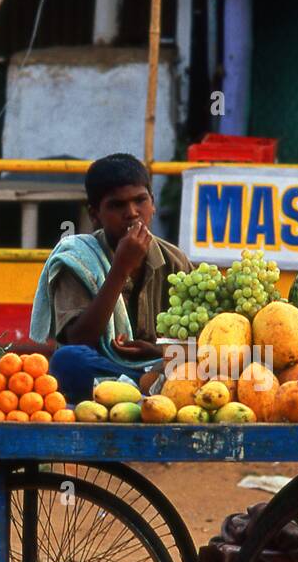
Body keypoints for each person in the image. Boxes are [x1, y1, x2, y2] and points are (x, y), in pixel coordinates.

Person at [30, 154, 192, 401]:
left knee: (222, 363)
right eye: (117, 205)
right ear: (95, 214)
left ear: (153, 203)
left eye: (140, 200)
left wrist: (157, 350)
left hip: (160, 370)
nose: (132, 213)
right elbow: (79, 339)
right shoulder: (77, 258)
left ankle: (144, 392)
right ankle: (144, 394)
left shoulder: (175, 261)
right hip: (107, 372)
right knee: (68, 361)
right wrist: (120, 269)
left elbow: (199, 343)